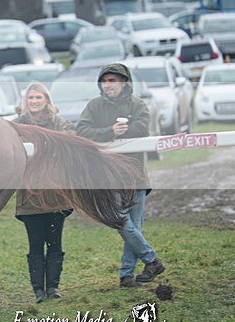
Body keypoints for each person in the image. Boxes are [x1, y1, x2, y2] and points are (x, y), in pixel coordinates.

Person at [76, 63, 166, 288]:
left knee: (133, 225)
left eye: (113, 80)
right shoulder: (94, 106)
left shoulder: (138, 104)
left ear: (124, 82)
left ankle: (127, 276)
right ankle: (151, 259)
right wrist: (109, 132)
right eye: (105, 81)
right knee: (121, 221)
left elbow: (144, 128)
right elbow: (82, 131)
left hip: (135, 177)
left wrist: (122, 132)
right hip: (108, 177)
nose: (109, 85)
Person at [13, 82, 75, 303]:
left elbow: (70, 137)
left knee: (55, 242)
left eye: (38, 98)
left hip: (57, 194)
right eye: (31, 98)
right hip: (30, 194)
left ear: (46, 100)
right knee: (35, 242)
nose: (34, 102)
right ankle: (38, 290)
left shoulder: (60, 123)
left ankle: (53, 288)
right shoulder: (17, 125)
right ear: (26, 102)